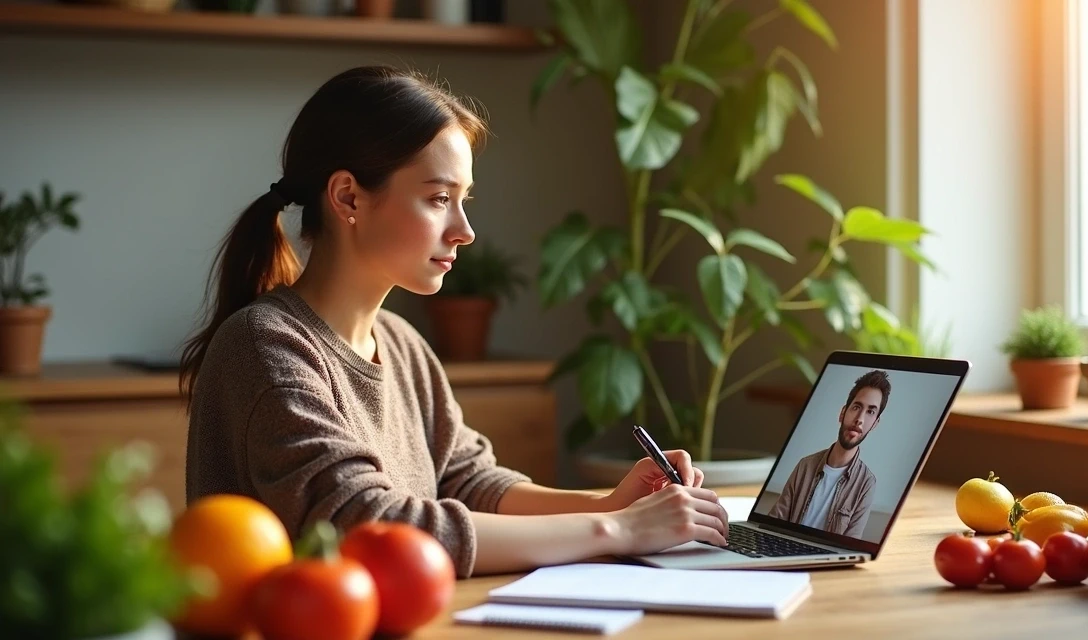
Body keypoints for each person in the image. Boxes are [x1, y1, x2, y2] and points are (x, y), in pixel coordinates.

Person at [180, 65, 728, 579]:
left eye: (463, 200)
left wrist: (611, 503)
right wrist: (616, 529)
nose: (464, 229)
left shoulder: (401, 344)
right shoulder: (264, 347)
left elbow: (465, 481)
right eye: (439, 198)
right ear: (348, 196)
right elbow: (365, 524)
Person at [767, 370, 889, 538]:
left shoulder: (866, 484)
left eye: (870, 412)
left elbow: (849, 546)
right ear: (842, 413)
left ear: (875, 424)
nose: (860, 418)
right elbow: (773, 523)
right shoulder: (805, 465)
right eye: (856, 407)